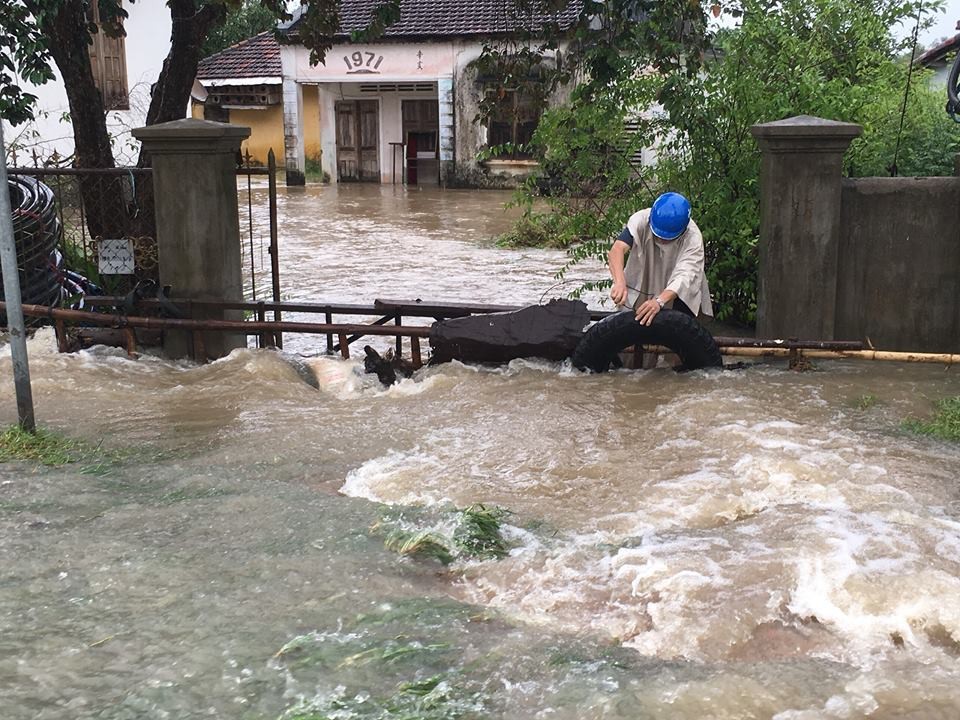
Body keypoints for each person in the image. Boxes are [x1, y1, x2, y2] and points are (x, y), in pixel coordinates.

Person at [608, 191, 713, 326]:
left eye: (666, 238)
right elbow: (617, 250)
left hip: (677, 290)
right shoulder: (641, 219)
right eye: (658, 236)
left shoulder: (693, 238)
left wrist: (659, 301)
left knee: (681, 327)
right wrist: (619, 281)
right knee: (634, 320)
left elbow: (684, 278)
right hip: (646, 273)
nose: (661, 240)